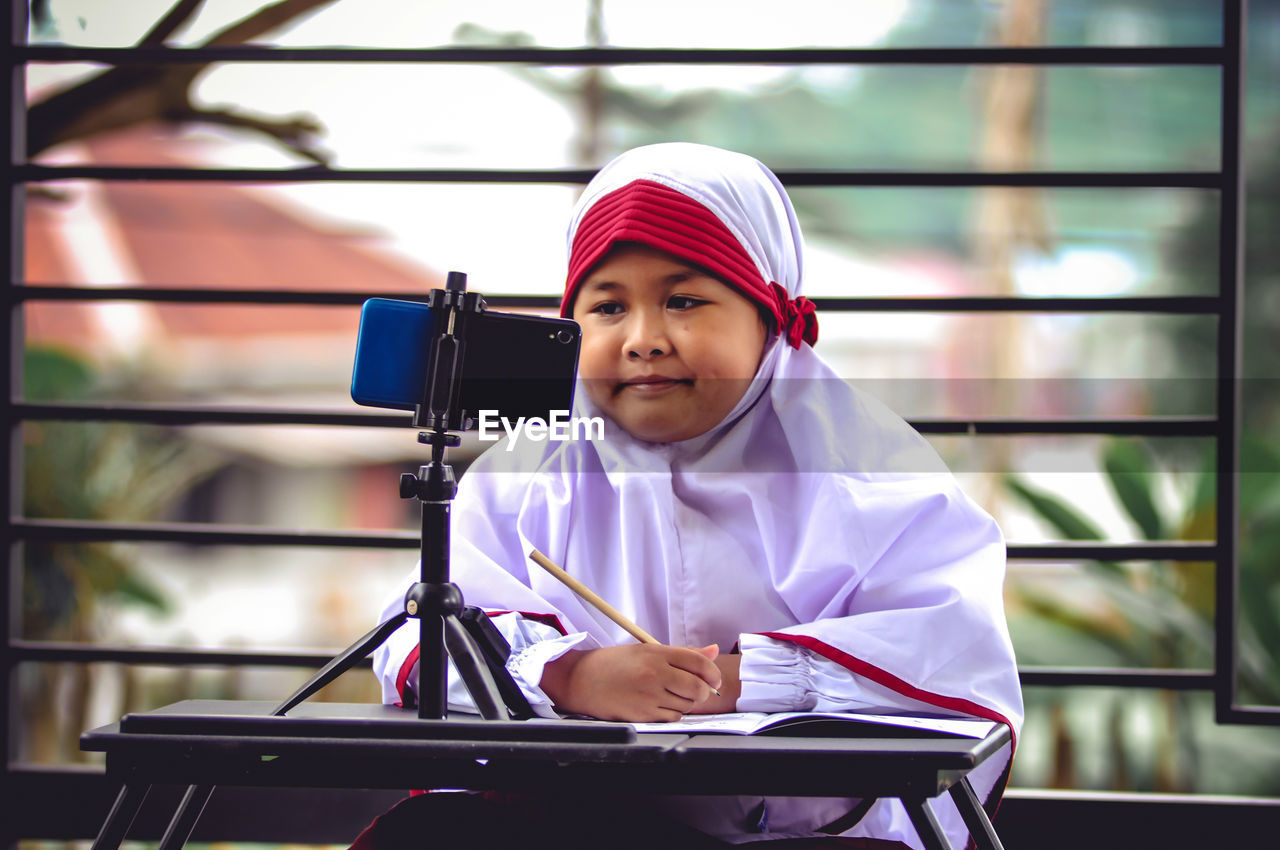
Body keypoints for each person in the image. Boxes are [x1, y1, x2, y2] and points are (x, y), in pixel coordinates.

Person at [359, 142, 1023, 849]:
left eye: (683, 300)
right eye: (608, 307)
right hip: (587, 827)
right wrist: (570, 674)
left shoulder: (871, 478)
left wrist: (737, 683)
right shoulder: (523, 480)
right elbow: (416, 642)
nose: (643, 339)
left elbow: (953, 664)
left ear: (771, 316)